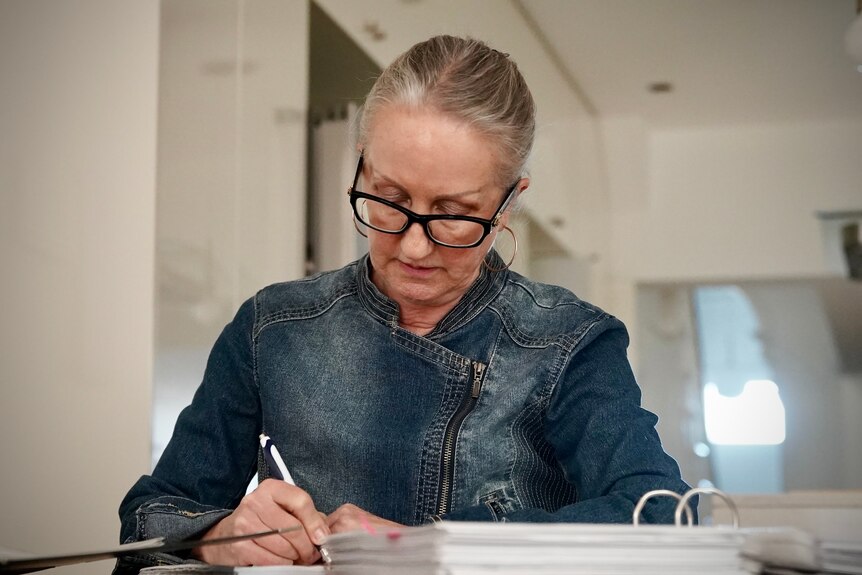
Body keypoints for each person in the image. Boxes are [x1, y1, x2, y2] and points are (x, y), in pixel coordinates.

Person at [114, 35, 692, 573]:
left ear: (510, 200)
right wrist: (223, 535)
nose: (414, 245)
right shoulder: (273, 328)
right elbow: (150, 518)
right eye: (389, 199)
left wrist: (427, 548)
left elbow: (662, 516)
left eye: (455, 214)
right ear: (361, 160)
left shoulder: (568, 342)